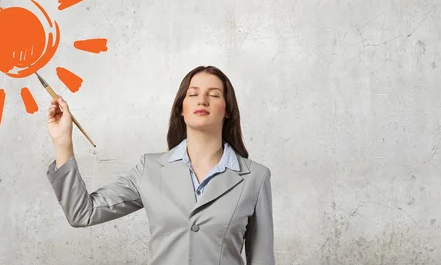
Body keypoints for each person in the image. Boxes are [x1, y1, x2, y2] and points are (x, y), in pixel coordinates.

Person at [45, 65, 274, 265]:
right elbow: (82, 213)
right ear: (180, 109)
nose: (202, 100)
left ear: (228, 110)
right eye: (193, 94)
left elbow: (262, 259)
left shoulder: (255, 177)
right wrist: (62, 142)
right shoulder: (150, 169)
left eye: (214, 95)